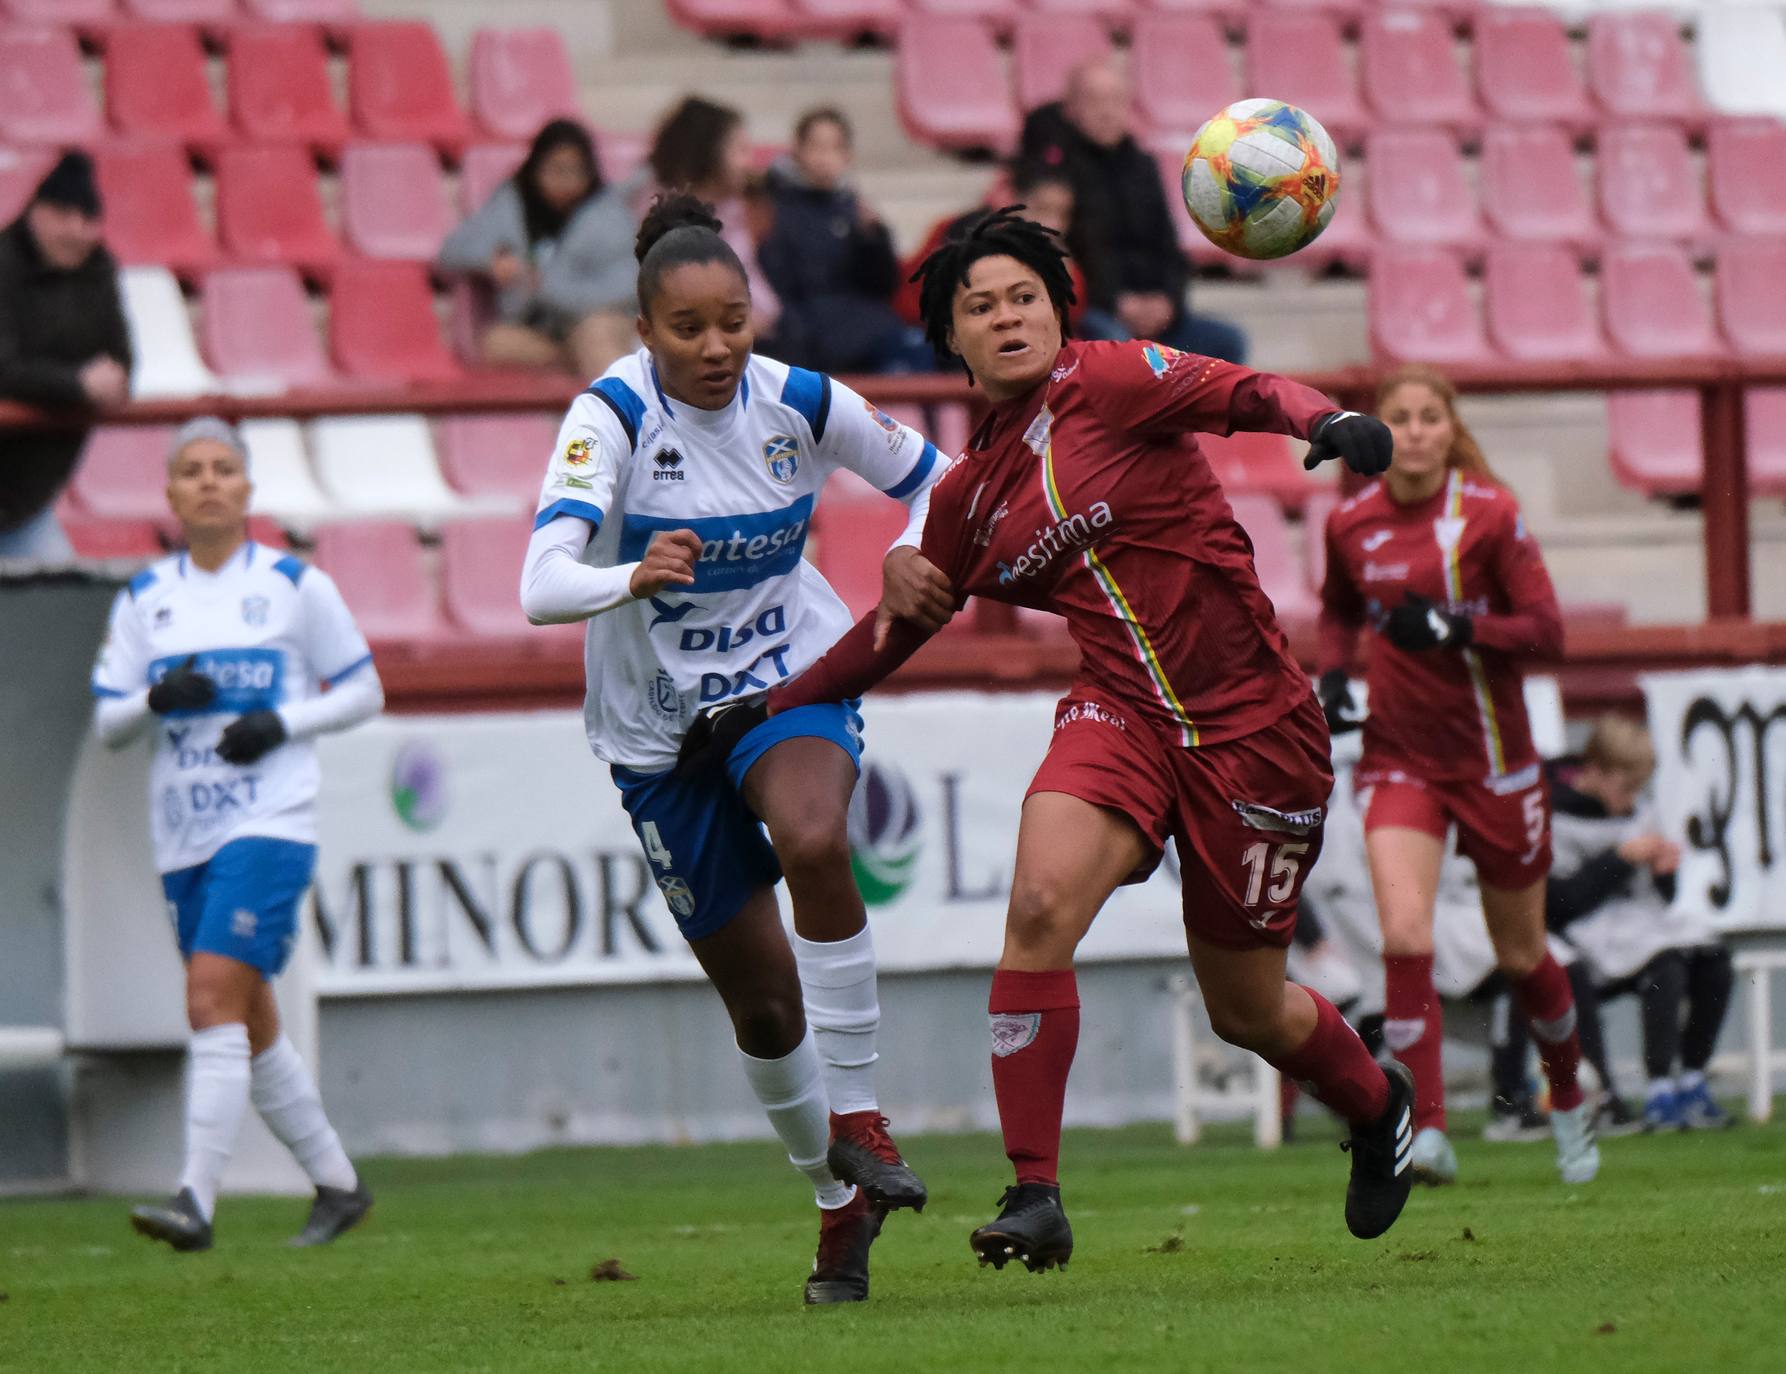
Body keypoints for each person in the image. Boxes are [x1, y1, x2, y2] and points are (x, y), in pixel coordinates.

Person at [682, 207, 1418, 1270]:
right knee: (1035, 909)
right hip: (1119, 713)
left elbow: (1243, 391)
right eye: (980, 306)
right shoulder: (968, 502)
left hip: (1255, 727)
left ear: (1055, 308)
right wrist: (766, 707)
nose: (1006, 316)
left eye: (1022, 296)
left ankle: (1373, 1101)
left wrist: (1322, 421)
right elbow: (888, 636)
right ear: (954, 339)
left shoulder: (1113, 379)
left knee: (1247, 1009)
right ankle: (1035, 1192)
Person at [517, 193, 950, 1305]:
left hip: (785, 686)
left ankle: (862, 1120)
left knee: (814, 836)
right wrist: (631, 574)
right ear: (646, 328)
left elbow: (936, 481)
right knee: (763, 1012)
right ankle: (836, 1203)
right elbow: (539, 583)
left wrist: (906, 552)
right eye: (687, 328)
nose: (715, 348)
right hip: (658, 738)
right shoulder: (606, 419)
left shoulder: (800, 402)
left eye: (732, 323)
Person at [89, 419, 383, 1252]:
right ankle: (338, 1183)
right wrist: (155, 699)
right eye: (193, 470)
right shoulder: (146, 599)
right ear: (171, 494)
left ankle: (195, 1200)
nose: (211, 481)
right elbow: (109, 722)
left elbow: (364, 690)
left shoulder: (296, 585)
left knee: (210, 997)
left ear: (249, 489)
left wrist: (279, 723)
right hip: (183, 831)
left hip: (269, 822)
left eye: (225, 468)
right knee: (248, 1021)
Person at [1317, 363, 1596, 1187]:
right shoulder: (1351, 521)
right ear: (1381, 431)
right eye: (1397, 417)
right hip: (1401, 758)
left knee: (1523, 955)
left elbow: (1546, 632)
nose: (1412, 430)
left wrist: (1456, 626)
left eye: (1428, 417)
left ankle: (1570, 1099)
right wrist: (1334, 675)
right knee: (1406, 938)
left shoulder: (1490, 515)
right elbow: (1337, 609)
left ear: (1449, 429)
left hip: (1496, 764)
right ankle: (1427, 1131)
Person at [1550, 717, 1733, 1131]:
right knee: (1665, 965)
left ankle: (1692, 1077)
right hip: (1587, 937)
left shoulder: (1640, 813)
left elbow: (1658, 899)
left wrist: (1664, 872)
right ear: (1593, 771)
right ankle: (1658, 1088)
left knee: (1713, 958)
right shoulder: (1557, 817)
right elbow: (1561, 904)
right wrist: (1619, 860)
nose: (1632, 799)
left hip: (1638, 928)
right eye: (1625, 787)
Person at [1019, 56, 1246, 365]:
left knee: (1227, 341)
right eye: (1094, 100)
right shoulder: (1055, 173)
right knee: (1123, 351)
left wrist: (1168, 301)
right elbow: (1069, 253)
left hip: (1159, 311)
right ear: (1070, 109)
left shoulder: (1144, 166)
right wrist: (1118, 302)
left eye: (1116, 100)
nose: (1107, 111)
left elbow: (1169, 246)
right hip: (1097, 314)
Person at [0, 150, 131, 561]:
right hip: (21, 488)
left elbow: (121, 361)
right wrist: (77, 384)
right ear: (36, 211)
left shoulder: (98, 272)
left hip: (28, 499)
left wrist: (111, 382)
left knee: (51, 598)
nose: (76, 231)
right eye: (63, 215)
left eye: (86, 219)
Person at [437, 119, 638, 377]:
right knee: (496, 343)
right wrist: (491, 260)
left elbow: (626, 287)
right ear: (535, 167)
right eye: (555, 170)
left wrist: (546, 288)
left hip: (595, 319)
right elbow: (449, 253)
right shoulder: (512, 205)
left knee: (595, 335)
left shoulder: (608, 214)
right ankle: (572, 360)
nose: (565, 182)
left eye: (575, 171)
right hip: (542, 331)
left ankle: (623, 413)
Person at [757, 108, 932, 374]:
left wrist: (872, 239)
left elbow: (885, 284)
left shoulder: (856, 212)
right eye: (816, 146)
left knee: (919, 347)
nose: (824, 158)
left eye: (834, 147)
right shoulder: (772, 211)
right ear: (797, 151)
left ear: (847, 155)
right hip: (811, 334)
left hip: (864, 325)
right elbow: (782, 283)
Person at [647, 95, 780, 339]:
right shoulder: (662, 221)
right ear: (709, 154)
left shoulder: (744, 207)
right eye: (740, 150)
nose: (749, 162)